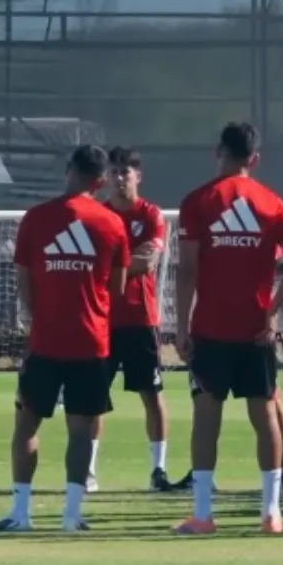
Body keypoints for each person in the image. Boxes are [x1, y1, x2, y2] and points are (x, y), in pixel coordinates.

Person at [173, 121, 283, 535]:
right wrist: (272, 309)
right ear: (254, 158)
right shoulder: (271, 202)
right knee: (264, 413)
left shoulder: (198, 201)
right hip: (256, 329)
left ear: (219, 152)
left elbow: (187, 271)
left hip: (211, 328)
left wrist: (180, 328)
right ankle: (271, 513)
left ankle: (203, 514)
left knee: (206, 419)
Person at [0, 146, 130, 532]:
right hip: (92, 343)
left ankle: (21, 513)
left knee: (26, 426)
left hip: (45, 343)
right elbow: (117, 288)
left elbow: (23, 281)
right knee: (81, 430)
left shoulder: (36, 219)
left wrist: (42, 317)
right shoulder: (111, 223)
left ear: (69, 170)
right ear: (101, 181)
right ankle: (72, 515)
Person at [99, 147, 172, 492]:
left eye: (124, 172)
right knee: (93, 396)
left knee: (151, 394)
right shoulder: (98, 215)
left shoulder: (152, 215)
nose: (118, 178)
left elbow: (149, 262)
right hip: (102, 319)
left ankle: (158, 470)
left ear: (137, 177)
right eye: (113, 172)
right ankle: (87, 472)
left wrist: (110, 265)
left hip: (140, 319)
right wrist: (125, 263)